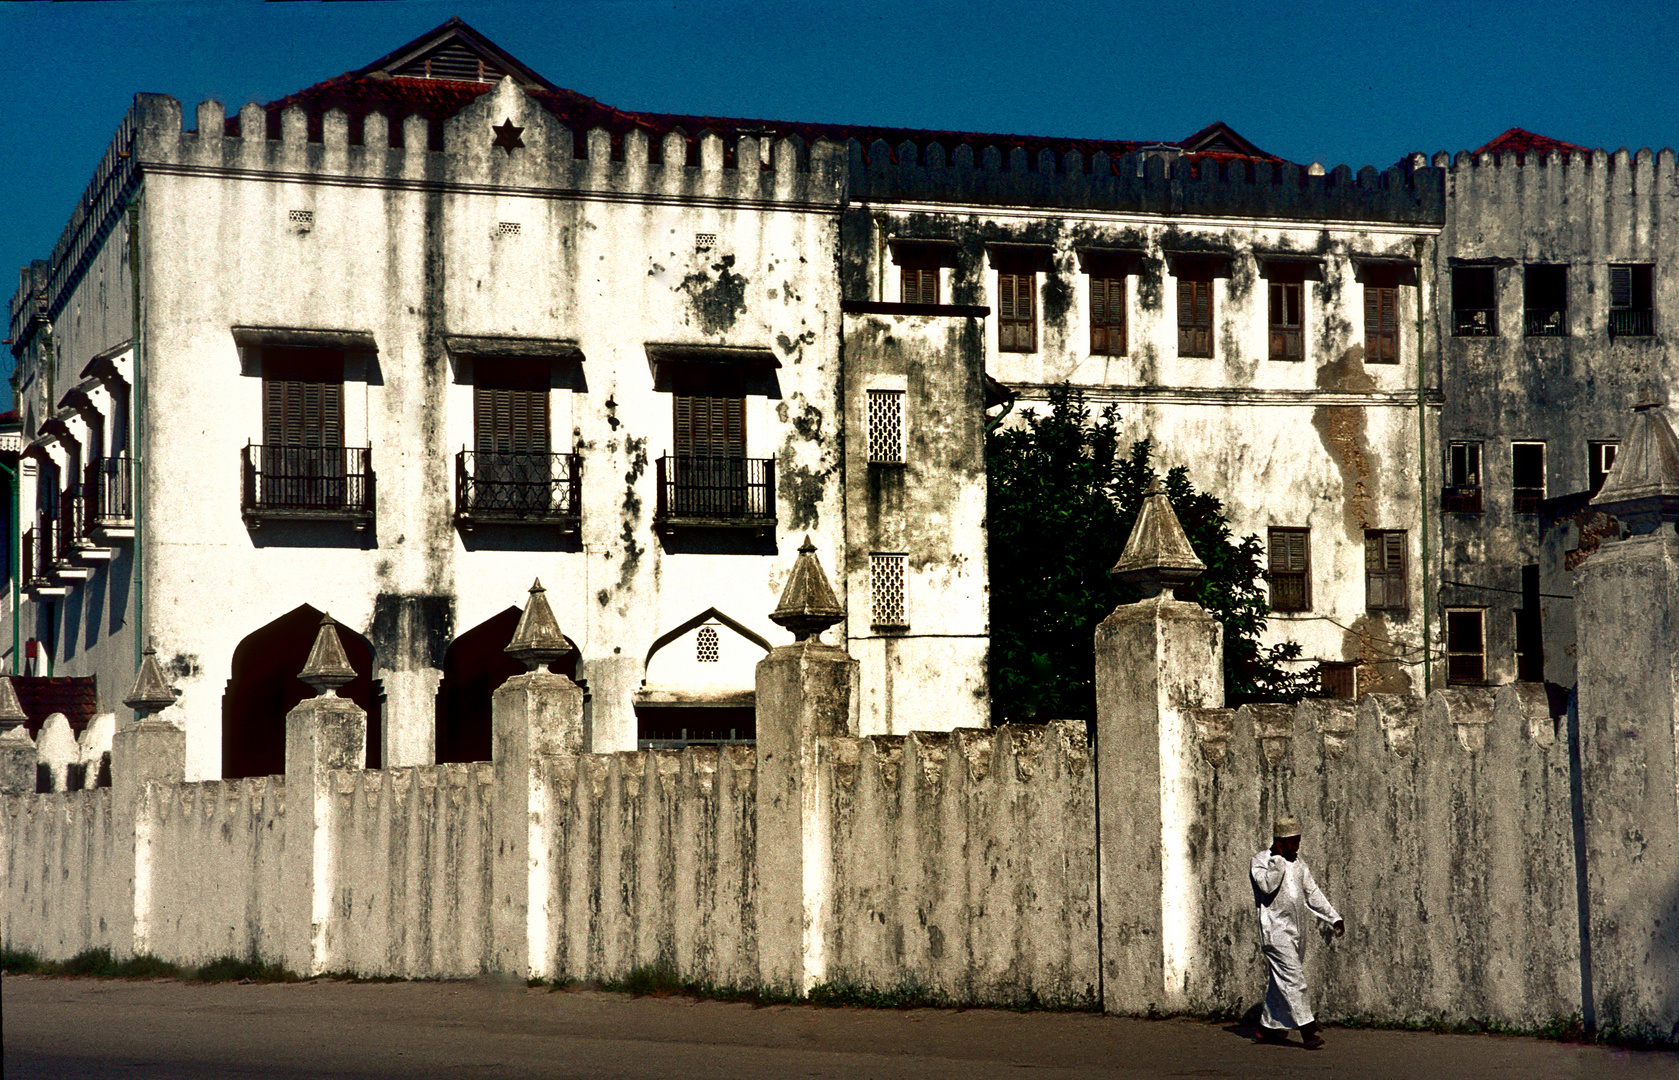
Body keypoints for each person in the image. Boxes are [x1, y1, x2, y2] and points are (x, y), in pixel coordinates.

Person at [1250, 815, 1344, 1049]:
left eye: (1298, 842)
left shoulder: (1300, 865)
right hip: (1274, 932)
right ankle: (1308, 1031)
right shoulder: (1261, 861)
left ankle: (1266, 1028)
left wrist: (1333, 917)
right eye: (1292, 843)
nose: (1296, 847)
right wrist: (1279, 860)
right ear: (1279, 842)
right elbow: (1267, 886)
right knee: (1294, 979)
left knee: (1281, 981)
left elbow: (1312, 894)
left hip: (1296, 932)